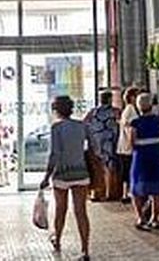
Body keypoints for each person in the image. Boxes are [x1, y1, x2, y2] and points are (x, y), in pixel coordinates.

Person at [44, 95, 92, 261]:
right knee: (81, 212)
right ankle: (85, 250)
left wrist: (47, 175)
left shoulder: (56, 128)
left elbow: (55, 154)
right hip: (81, 172)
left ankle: (57, 240)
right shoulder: (82, 126)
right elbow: (93, 146)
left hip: (62, 174)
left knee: (60, 210)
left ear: (56, 110)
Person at [126, 93, 159, 230]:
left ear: (138, 107)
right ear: (151, 105)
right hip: (156, 155)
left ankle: (140, 218)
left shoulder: (135, 123)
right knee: (157, 187)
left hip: (140, 156)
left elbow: (131, 142)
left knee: (137, 188)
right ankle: (155, 218)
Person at [83, 90, 119, 201]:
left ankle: (97, 193)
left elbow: (84, 124)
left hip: (95, 144)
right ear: (110, 99)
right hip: (109, 143)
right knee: (109, 168)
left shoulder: (92, 112)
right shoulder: (115, 111)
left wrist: (90, 138)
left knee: (97, 169)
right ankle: (110, 193)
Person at [115, 86, 141, 204]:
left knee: (126, 170)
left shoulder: (128, 109)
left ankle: (126, 193)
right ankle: (128, 193)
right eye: (137, 95)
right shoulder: (131, 110)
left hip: (124, 146)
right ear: (132, 97)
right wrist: (133, 145)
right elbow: (131, 129)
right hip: (128, 146)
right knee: (129, 170)